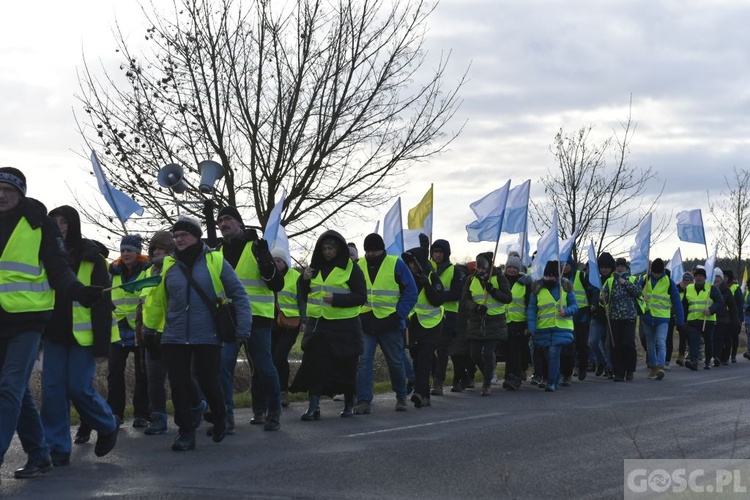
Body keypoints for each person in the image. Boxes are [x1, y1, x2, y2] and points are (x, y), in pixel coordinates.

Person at [0, 167, 103, 478]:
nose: (2, 195)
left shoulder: (41, 225)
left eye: (9, 189)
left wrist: (78, 291)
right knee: (17, 392)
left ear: (21, 194)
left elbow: (59, 269)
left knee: (7, 389)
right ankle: (40, 454)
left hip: (28, 322)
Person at [143, 215, 251, 451]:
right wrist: (149, 330)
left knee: (208, 381)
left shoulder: (215, 260)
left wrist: (243, 328)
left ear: (196, 236)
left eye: (184, 235)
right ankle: (186, 433)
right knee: (179, 384)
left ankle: (221, 416)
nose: (179, 239)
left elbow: (239, 294)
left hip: (207, 333)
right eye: (176, 236)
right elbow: (158, 300)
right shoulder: (168, 265)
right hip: (174, 334)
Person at [40, 205, 119, 467]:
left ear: (73, 225)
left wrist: (102, 346)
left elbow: (101, 303)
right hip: (52, 335)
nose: (59, 226)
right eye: (55, 221)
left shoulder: (92, 257)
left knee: (78, 389)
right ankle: (58, 448)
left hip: (83, 338)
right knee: (52, 393)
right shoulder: (42, 254)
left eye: (64, 222)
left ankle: (107, 425)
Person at [214, 206, 283, 432]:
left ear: (240, 223)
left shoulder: (257, 247)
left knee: (264, 366)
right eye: (220, 221)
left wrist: (266, 265)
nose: (223, 224)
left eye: (227, 219)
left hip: (258, 317)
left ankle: (273, 411)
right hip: (227, 319)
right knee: (223, 365)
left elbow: (277, 285)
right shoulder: (215, 252)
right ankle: (227, 417)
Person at [290, 230, 366, 419]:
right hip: (319, 325)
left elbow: (361, 296)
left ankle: (349, 403)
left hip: (345, 326)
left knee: (346, 366)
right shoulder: (314, 268)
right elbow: (306, 293)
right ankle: (313, 407)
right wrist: (304, 280)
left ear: (338, 248)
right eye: (324, 248)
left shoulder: (351, 268)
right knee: (314, 365)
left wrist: (337, 299)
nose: (327, 252)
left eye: (330, 248)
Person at [354, 234, 417, 414]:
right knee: (364, 362)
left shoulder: (396, 264)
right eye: (367, 251)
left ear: (382, 249)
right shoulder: (359, 265)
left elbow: (411, 291)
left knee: (396, 362)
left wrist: (399, 314)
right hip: (366, 322)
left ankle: (401, 396)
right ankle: (364, 400)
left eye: (374, 250)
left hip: (391, 323)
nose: (370, 254)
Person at [108, 233, 151, 428]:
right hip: (118, 329)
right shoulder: (113, 272)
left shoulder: (147, 270)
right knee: (115, 372)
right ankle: (116, 413)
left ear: (138, 253)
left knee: (143, 373)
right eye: (123, 250)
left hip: (139, 328)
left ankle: (141, 413)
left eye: (130, 251)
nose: (125, 254)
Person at [136, 231, 176, 435]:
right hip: (150, 335)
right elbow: (141, 306)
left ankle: (194, 408)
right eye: (154, 249)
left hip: (171, 334)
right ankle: (159, 418)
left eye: (161, 248)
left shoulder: (174, 268)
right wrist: (140, 334)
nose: (157, 252)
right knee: (154, 379)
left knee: (180, 378)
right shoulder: (147, 272)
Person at [461, 252, 512, 396]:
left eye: (483, 268)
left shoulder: (499, 278)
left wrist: (493, 291)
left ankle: (486, 384)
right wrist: (476, 307)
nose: (481, 271)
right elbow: (464, 300)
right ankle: (488, 373)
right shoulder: (470, 280)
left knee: (489, 353)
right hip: (477, 320)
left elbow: (508, 298)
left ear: (489, 267)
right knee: (474, 353)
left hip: (495, 321)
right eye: (478, 268)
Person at [401, 242, 444, 408]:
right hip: (415, 325)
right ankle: (422, 393)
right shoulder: (408, 279)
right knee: (417, 360)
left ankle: (421, 394)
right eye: (409, 263)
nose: (410, 266)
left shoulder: (432, 277)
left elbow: (438, 300)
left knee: (425, 359)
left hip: (432, 325)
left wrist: (427, 284)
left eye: (413, 263)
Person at [527, 261, 577, 392]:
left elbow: (575, 306)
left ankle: (551, 382)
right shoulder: (537, 290)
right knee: (548, 356)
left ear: (558, 276)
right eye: (547, 276)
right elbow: (531, 310)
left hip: (561, 328)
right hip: (543, 328)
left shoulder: (565, 289)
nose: (550, 278)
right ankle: (556, 377)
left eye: (553, 276)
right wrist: (532, 327)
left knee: (554, 353)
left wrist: (567, 311)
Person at [428, 239, 464, 396]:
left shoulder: (453, 270)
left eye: (440, 252)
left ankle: (438, 381)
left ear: (446, 254)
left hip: (448, 315)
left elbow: (457, 293)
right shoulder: (427, 268)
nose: (437, 255)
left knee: (442, 350)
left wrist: (439, 296)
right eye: (435, 252)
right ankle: (431, 376)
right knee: (428, 349)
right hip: (429, 314)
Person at [639, 258, 685, 380]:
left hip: (663, 318)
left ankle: (660, 367)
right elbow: (635, 294)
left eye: (658, 272)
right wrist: (641, 300)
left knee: (660, 342)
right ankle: (653, 368)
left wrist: (680, 320)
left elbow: (677, 302)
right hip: (647, 317)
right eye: (654, 272)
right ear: (651, 270)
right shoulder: (644, 280)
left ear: (662, 271)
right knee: (650, 345)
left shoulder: (669, 282)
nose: (656, 275)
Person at [270, 247, 303, 408]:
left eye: (279, 261)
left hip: (291, 323)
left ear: (285, 262)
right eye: (274, 260)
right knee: (270, 357)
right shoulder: (268, 276)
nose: (276, 264)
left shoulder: (296, 277)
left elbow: (303, 299)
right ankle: (272, 391)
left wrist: (304, 320)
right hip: (271, 322)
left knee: (280, 356)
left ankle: (283, 391)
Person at [601, 257, 641, 382]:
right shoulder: (610, 281)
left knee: (627, 343)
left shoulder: (633, 279)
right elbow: (604, 298)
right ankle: (619, 371)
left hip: (629, 316)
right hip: (614, 317)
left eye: (622, 266)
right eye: (618, 266)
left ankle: (630, 370)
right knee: (615, 345)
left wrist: (625, 282)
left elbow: (637, 292)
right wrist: (603, 298)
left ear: (626, 267)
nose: (619, 268)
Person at [560, 255, 595, 384]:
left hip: (582, 314)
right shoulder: (559, 279)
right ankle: (570, 369)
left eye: (567, 264)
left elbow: (592, 290)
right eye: (563, 265)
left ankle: (582, 368)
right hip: (566, 316)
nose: (565, 267)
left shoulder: (581, 276)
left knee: (582, 344)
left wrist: (593, 305)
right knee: (569, 345)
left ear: (572, 265)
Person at [682, 266, 724, 371]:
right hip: (693, 320)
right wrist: (683, 320)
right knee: (693, 341)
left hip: (708, 320)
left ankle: (708, 361)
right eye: (696, 276)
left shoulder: (712, 288)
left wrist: (711, 310)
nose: (698, 278)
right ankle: (694, 362)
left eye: (700, 276)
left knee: (708, 341)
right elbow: (685, 305)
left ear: (705, 278)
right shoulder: (689, 288)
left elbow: (720, 302)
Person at [503, 252, 532, 390]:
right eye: (509, 267)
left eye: (515, 268)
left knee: (516, 350)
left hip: (520, 321)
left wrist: (528, 324)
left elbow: (529, 305)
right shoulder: (502, 282)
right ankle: (510, 375)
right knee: (508, 350)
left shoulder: (525, 284)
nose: (512, 270)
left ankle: (514, 376)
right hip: (504, 321)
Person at [589, 252, 615, 379]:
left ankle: (609, 368)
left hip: (611, 316)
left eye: (607, 267)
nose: (604, 269)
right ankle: (601, 361)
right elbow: (592, 294)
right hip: (597, 315)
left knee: (609, 345)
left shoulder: (614, 280)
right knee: (592, 341)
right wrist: (594, 304)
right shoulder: (595, 280)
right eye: (602, 267)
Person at [711, 268, 739, 367]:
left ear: (722, 278)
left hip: (724, 318)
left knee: (723, 339)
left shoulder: (726, 290)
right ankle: (717, 357)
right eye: (715, 276)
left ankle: (723, 357)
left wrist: (736, 320)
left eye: (718, 276)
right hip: (712, 317)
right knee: (714, 339)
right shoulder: (709, 288)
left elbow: (732, 305)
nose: (716, 279)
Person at [723, 269, 743, 363]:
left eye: (726, 277)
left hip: (734, 315)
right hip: (724, 316)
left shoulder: (735, 287)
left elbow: (739, 303)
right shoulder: (721, 287)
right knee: (725, 336)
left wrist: (738, 318)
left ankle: (733, 355)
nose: (724, 278)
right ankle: (724, 355)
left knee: (734, 336)